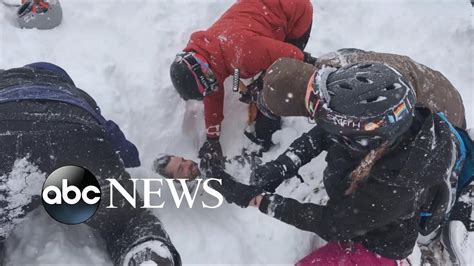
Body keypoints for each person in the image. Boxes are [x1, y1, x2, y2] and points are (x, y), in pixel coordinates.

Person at [198, 62, 473, 265]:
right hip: (363, 201)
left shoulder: (399, 181)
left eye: (341, 133)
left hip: (380, 242)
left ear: (365, 138)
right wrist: (285, 164)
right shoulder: (383, 122)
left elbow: (335, 223)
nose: (331, 133)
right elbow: (323, 133)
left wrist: (260, 200)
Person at [0, 63, 181, 265]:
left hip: (6, 134)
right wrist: (120, 173)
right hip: (77, 136)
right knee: (127, 221)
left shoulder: (5, 82)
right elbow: (121, 147)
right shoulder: (75, 94)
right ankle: (146, 254)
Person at [169, 0, 315, 157]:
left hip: (294, 10)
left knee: (278, 80)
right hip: (260, 17)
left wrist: (262, 90)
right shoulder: (208, 52)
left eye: (209, 87)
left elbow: (293, 56)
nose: (211, 90)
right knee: (263, 61)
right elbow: (216, 91)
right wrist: (212, 139)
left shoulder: (243, 53)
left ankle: (269, 126)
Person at [257, 48, 466, 129]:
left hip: (440, 115)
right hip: (439, 86)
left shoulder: (347, 99)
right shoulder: (328, 64)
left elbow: (379, 134)